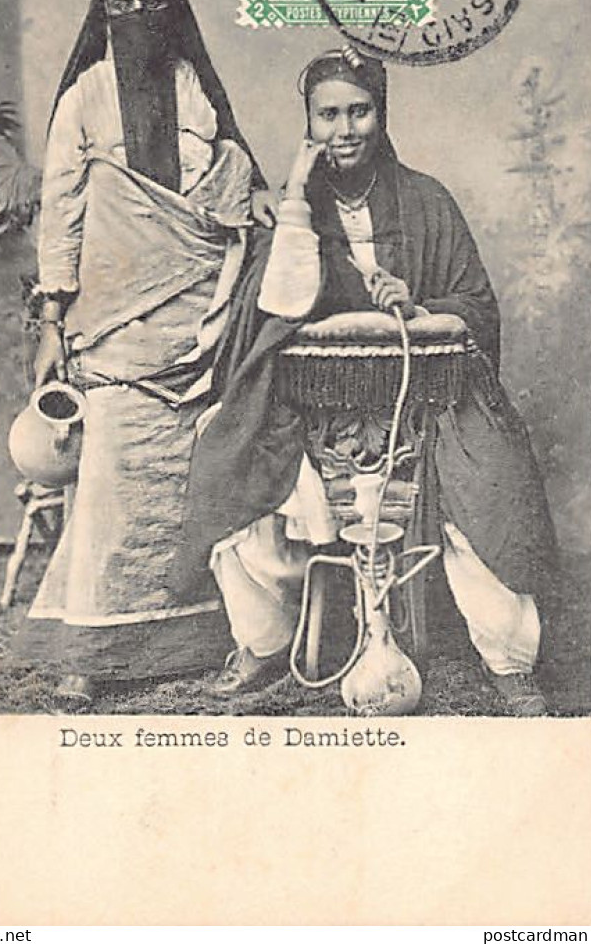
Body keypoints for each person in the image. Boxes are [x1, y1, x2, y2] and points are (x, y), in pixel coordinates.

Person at [177, 47, 558, 716]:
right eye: (327, 115)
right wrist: (295, 194)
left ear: (381, 118)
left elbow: (474, 304)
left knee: (491, 480)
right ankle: (261, 644)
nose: (343, 129)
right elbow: (276, 307)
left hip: (425, 401)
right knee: (231, 461)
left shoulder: (425, 199)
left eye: (359, 112)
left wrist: (418, 306)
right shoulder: (290, 212)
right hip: (304, 405)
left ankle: (508, 660)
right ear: (308, 125)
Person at [24, 0, 274, 704]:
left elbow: (229, 176)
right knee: (111, 483)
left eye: (153, 2)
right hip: (116, 321)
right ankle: (90, 648)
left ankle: (196, 635)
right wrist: (50, 321)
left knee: (192, 477)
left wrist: (253, 194)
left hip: (199, 313)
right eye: (122, 4)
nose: (137, 15)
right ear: (102, 17)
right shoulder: (84, 99)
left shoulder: (194, 89)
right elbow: (61, 213)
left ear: (175, 14)